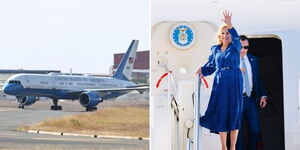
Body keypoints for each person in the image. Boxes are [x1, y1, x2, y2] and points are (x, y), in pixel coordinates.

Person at [196, 10, 243, 150]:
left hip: (234, 80)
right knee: (222, 110)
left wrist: (230, 25)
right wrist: (202, 70)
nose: (225, 35)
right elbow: (211, 66)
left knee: (234, 112)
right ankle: (223, 146)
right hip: (220, 81)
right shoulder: (215, 49)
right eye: (223, 33)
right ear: (219, 35)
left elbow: (237, 39)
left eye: (227, 32)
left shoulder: (235, 47)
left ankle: (232, 146)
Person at [236, 35, 267, 150]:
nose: (243, 50)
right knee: (237, 133)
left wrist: (263, 95)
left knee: (255, 130)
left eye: (245, 47)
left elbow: (257, 79)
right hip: (237, 100)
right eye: (240, 47)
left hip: (250, 99)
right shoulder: (231, 61)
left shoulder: (254, 60)